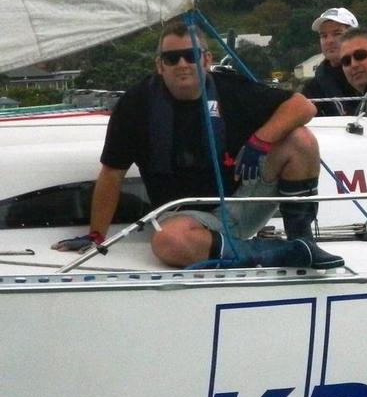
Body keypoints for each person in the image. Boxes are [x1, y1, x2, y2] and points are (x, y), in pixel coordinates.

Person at [52, 20, 344, 269]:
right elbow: (112, 173)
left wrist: (260, 140)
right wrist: (96, 235)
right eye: (171, 58)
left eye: (191, 55)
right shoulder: (136, 105)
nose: (182, 64)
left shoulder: (232, 90)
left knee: (300, 140)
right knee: (169, 243)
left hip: (243, 201)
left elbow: (302, 107)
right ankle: (275, 254)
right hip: (187, 217)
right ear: (159, 65)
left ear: (206, 59)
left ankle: (302, 241)